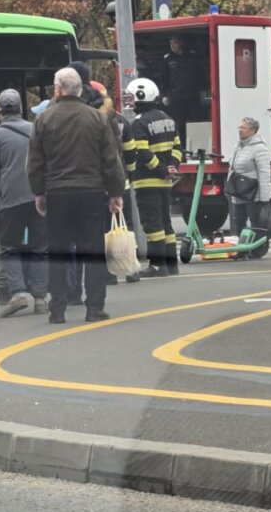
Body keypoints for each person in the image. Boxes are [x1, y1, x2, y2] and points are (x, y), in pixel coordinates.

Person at [27, 67, 126, 324]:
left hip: (57, 193)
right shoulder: (96, 118)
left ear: (58, 90)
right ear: (80, 89)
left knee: (58, 250)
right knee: (93, 250)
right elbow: (110, 158)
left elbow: (35, 162)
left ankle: (57, 309)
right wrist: (115, 191)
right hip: (91, 191)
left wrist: (39, 191)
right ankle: (94, 308)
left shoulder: (44, 119)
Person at [0, 88, 48, 317]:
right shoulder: (35, 129)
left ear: (0, 109)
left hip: (10, 198)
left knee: (9, 246)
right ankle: (40, 298)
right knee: (39, 247)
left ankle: (18, 293)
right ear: (21, 107)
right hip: (38, 195)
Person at [123, 77, 182, 277]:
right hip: (165, 182)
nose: (130, 101)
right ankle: (171, 265)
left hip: (147, 181)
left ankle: (157, 265)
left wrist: (161, 169)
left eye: (132, 97)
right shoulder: (168, 118)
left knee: (152, 224)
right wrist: (171, 167)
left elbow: (142, 152)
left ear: (142, 96)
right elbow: (178, 148)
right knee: (166, 222)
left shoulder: (139, 123)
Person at [226, 116, 271, 259]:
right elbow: (231, 168)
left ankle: (258, 250)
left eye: (243, 128)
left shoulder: (259, 148)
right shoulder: (238, 146)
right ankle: (241, 250)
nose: (240, 130)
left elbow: (264, 173)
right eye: (239, 127)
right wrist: (229, 187)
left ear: (252, 130)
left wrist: (265, 198)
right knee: (238, 221)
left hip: (253, 193)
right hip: (238, 191)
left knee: (256, 222)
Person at [160, 35, 199, 154]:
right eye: (171, 43)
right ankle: (181, 148)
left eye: (175, 43)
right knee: (178, 123)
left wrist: (203, 90)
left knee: (194, 121)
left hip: (191, 95)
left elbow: (198, 74)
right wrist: (164, 95)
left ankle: (195, 146)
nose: (173, 46)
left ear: (181, 43)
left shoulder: (191, 57)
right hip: (176, 96)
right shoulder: (168, 59)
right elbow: (163, 78)